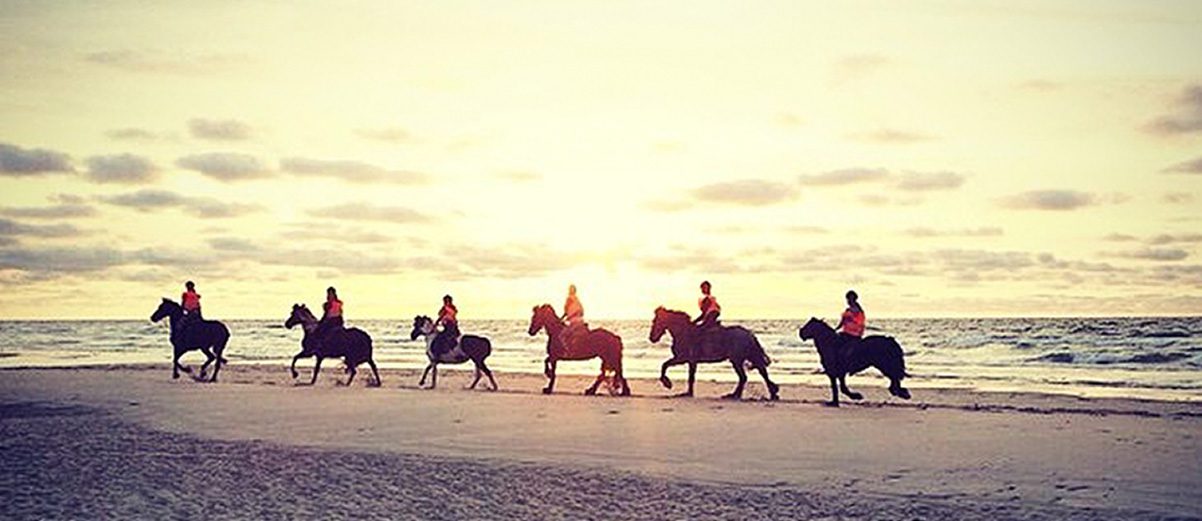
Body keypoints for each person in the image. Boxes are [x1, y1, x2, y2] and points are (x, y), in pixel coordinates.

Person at [560, 284, 586, 350]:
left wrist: (561, 319)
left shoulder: (569, 299)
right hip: (581, 322)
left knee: (562, 335)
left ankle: (567, 350)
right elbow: (582, 312)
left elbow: (566, 311)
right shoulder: (577, 300)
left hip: (574, 322)